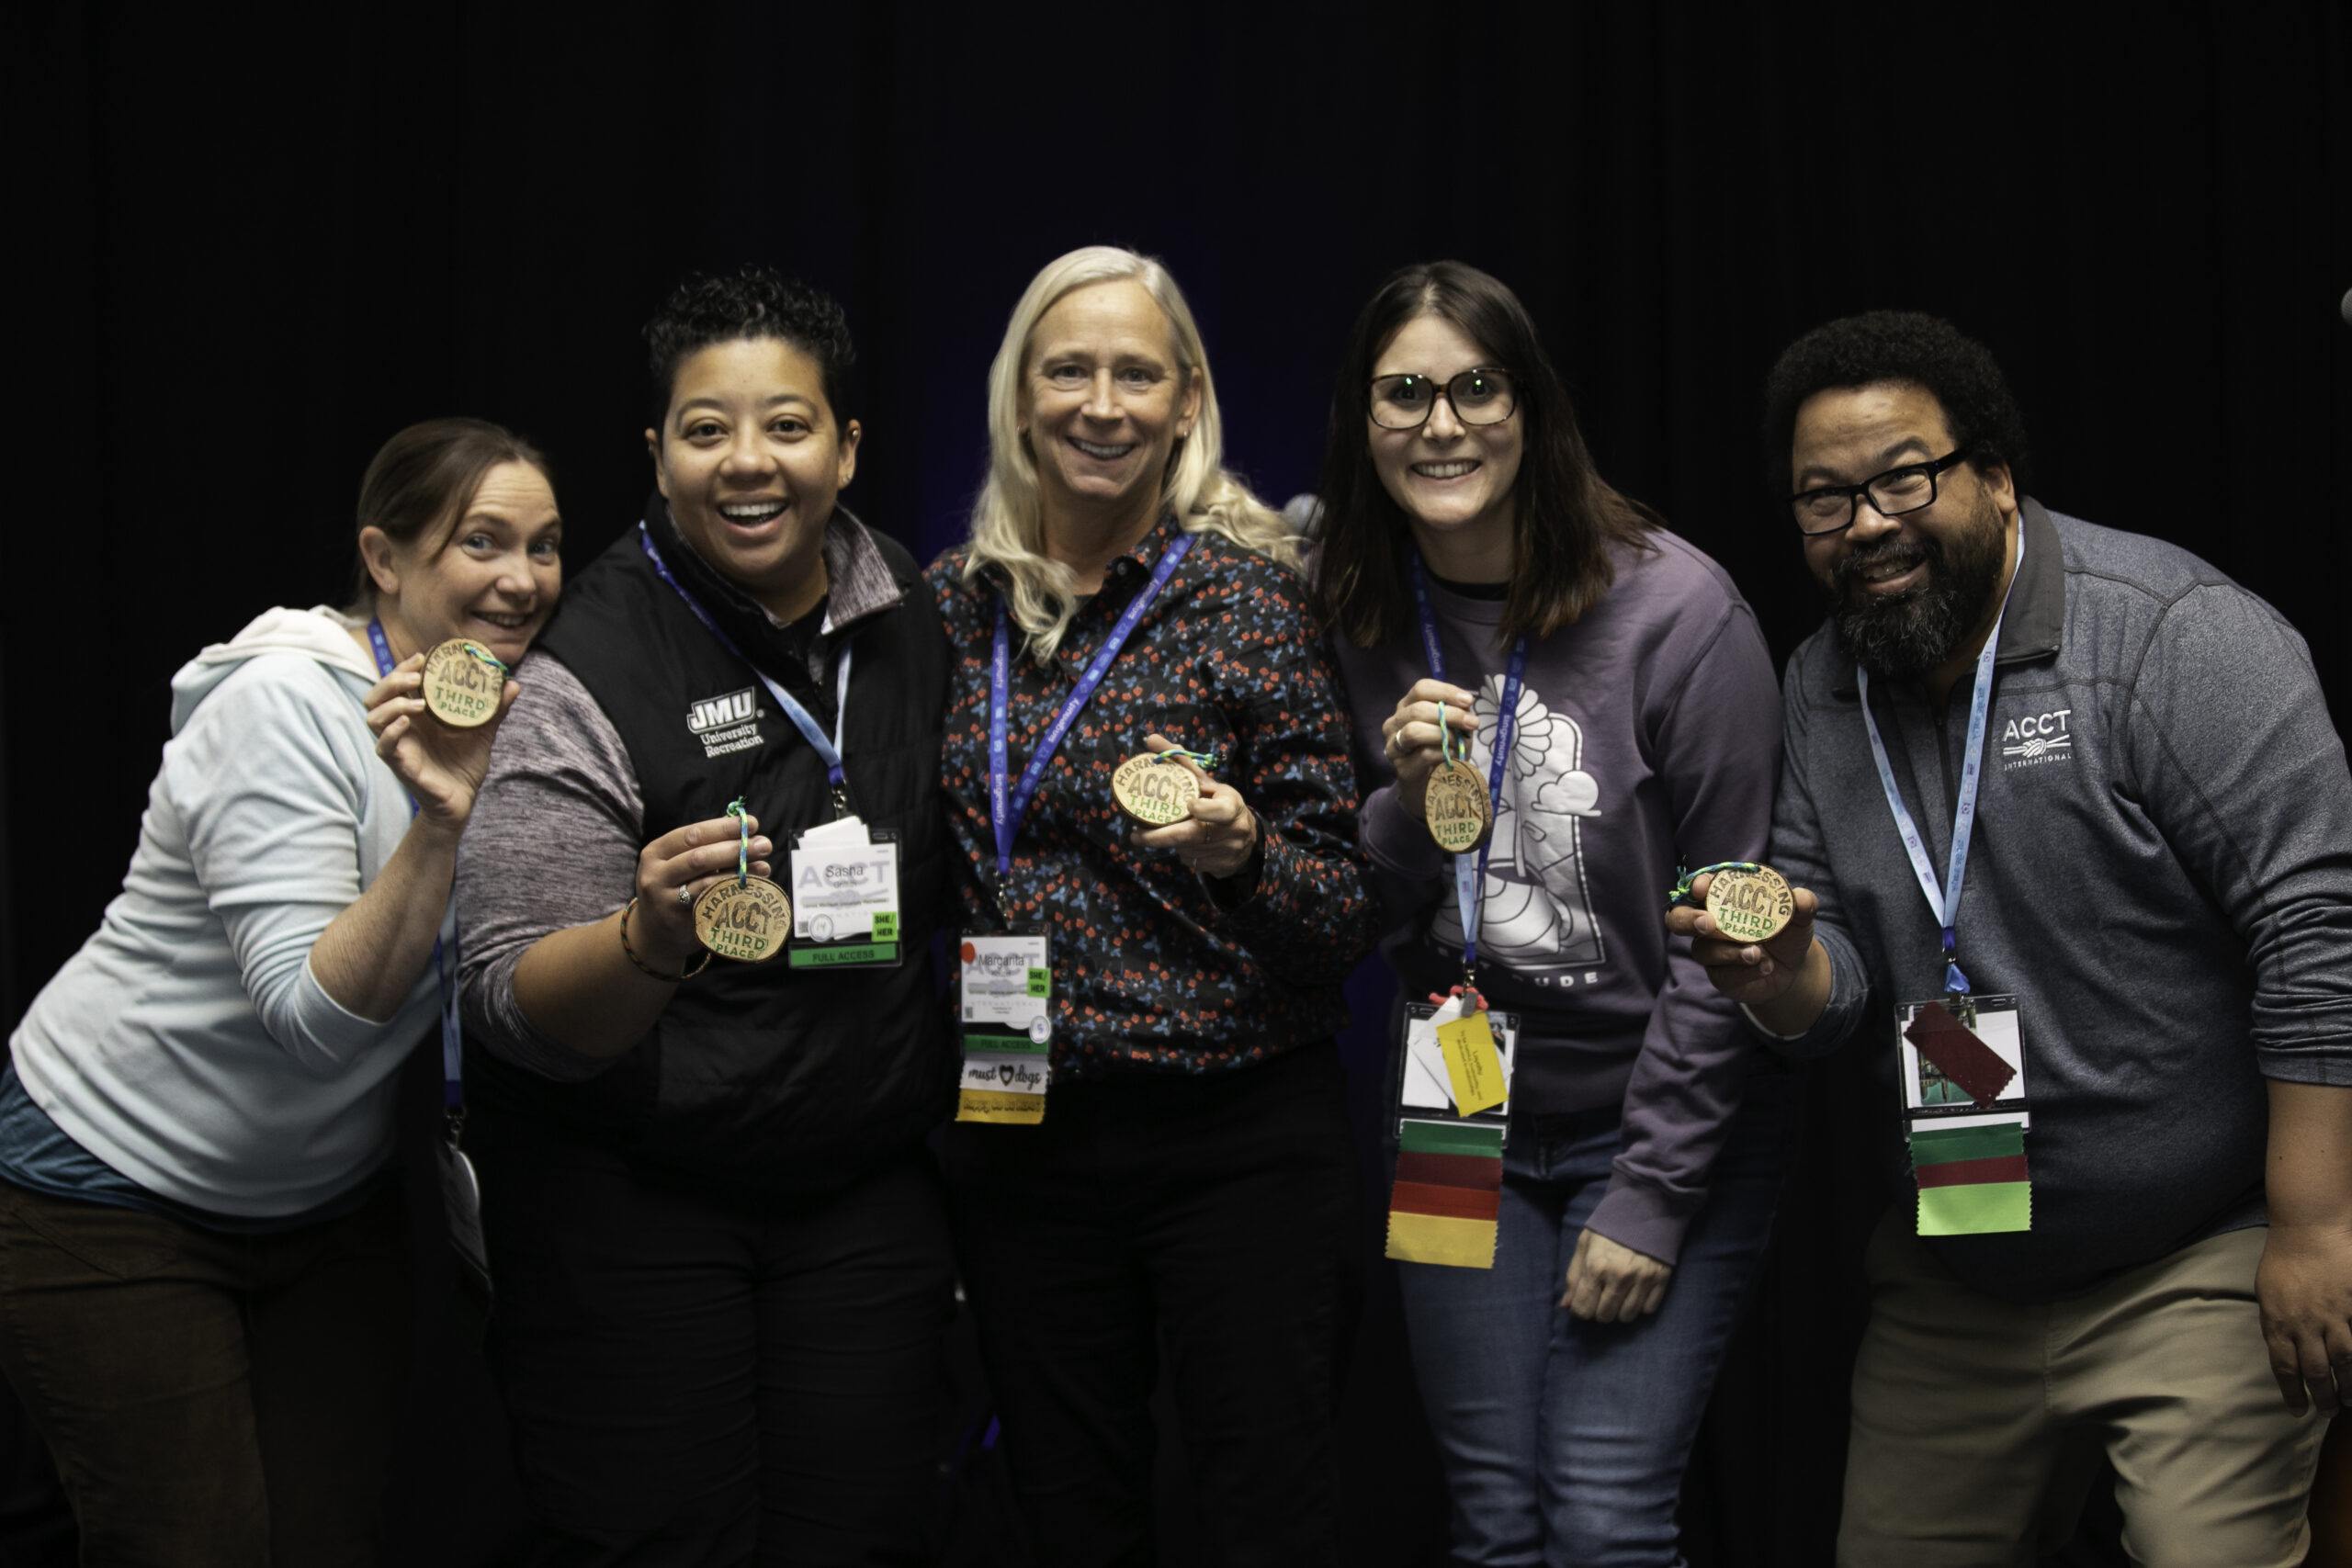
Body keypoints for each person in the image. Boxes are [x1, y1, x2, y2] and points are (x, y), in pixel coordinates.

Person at [1671, 310, 2352, 1567]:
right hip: (1959, 1278)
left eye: (1903, 477)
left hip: (2197, 1251)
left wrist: (2315, 1227)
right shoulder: (1824, 688)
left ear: (1992, 474)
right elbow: (1838, 996)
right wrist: (1779, 974)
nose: (1867, 523)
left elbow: (2316, 926)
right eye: (1824, 499)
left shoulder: (2167, 634)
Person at [455, 266, 956, 1563]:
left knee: (865, 1533)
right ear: (656, 454)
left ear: (846, 448)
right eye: (705, 427)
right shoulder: (585, 659)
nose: (750, 462)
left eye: (788, 425)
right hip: (637, 1202)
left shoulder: (904, 602)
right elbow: (513, 1002)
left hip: (861, 1196)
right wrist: (647, 940)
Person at [0, 417, 560, 1563]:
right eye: (482, 542)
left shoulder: (527, 710)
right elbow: (314, 1025)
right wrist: (443, 828)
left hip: (320, 1211)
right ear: (384, 558)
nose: (520, 580)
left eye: (546, 546)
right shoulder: (285, 704)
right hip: (110, 1188)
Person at [1311, 261, 1790, 1566]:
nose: (1442, 422)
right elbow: (1340, 904)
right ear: (1364, 419)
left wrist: (1651, 1190)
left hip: (1656, 1118)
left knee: (1602, 1522)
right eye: (1404, 392)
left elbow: (1728, 925)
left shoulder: (1680, 612)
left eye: (1477, 385)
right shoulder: (1351, 612)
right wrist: (1407, 801)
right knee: (1495, 1522)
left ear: (1531, 408)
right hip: (1460, 1113)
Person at [926, 245, 1377, 1566]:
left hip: (1233, 1136)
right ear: (1021, 398)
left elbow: (1341, 910)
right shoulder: (960, 606)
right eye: (1069, 369)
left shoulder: (1252, 596)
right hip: (1022, 1135)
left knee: (1264, 1512)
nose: (1102, 403)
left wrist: (1243, 855)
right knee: (1067, 1512)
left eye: (1138, 373)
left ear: (1188, 403)